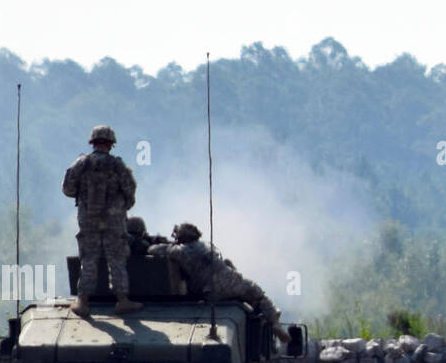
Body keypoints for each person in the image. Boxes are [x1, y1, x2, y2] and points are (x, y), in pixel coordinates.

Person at [149, 223, 289, 341]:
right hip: (232, 282)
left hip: (208, 292)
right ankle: (275, 322)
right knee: (257, 294)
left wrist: (164, 244)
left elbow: (154, 250)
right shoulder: (208, 246)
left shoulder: (179, 251)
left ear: (180, 239)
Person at [62, 125, 141, 317]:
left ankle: (83, 301)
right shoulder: (118, 165)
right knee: (117, 258)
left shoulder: (81, 164)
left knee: (89, 258)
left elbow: (68, 189)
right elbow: (130, 191)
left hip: (88, 220)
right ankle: (122, 301)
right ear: (111, 144)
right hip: (114, 222)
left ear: (93, 142)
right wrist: (122, 207)